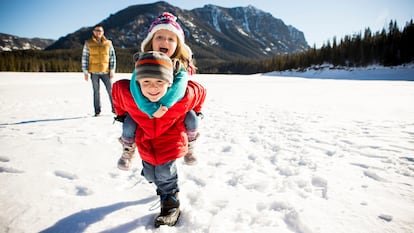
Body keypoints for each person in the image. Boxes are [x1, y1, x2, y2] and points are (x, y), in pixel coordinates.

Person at [112, 51, 206, 227]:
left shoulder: (181, 98)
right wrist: (121, 114)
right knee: (149, 173)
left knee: (165, 173)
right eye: (146, 82)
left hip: (170, 141)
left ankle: (171, 202)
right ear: (138, 82)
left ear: (169, 83)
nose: (152, 88)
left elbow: (200, 92)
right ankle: (159, 183)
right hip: (146, 143)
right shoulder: (131, 97)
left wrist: (195, 112)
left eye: (159, 82)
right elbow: (117, 92)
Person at [116, 12, 201, 170]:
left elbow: (179, 88)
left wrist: (164, 105)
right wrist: (149, 108)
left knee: (192, 119)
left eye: (170, 39)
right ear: (150, 41)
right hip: (147, 106)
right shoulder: (144, 61)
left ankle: (190, 146)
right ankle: (128, 149)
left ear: (178, 44)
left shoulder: (179, 66)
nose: (165, 41)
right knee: (129, 123)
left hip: (170, 108)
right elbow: (135, 85)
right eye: (159, 37)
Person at [81, 24, 116, 117]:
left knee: (111, 91)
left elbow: (112, 57)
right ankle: (97, 111)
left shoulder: (108, 43)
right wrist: (85, 72)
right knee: (96, 91)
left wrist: (112, 70)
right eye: (97, 30)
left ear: (103, 32)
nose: (98, 32)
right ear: (93, 32)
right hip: (94, 72)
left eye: (100, 31)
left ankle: (115, 109)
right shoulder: (88, 43)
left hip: (106, 72)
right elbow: (85, 57)